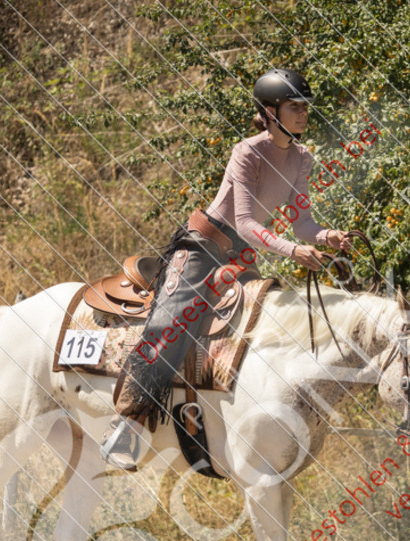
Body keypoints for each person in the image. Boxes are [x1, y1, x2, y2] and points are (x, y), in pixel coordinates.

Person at [101, 68, 352, 470]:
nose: (303, 114)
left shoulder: (302, 158)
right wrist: (293, 251)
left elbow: (302, 221)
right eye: (294, 106)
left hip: (239, 259)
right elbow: (248, 222)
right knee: (170, 325)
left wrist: (325, 237)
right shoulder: (247, 152)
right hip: (203, 248)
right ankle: (126, 424)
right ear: (269, 112)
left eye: (305, 106)